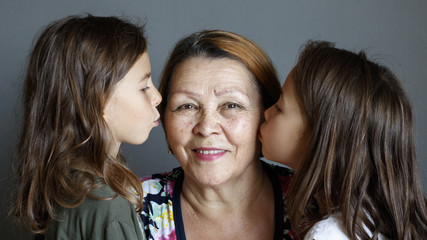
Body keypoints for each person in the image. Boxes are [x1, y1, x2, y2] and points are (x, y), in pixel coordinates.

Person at [11, 15, 162, 239]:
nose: (157, 96)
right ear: (98, 100)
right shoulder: (109, 207)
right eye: (144, 87)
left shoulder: (64, 188)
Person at [259, 40, 427, 239]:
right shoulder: (382, 222)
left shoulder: (329, 235)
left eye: (279, 108)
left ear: (320, 137)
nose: (266, 113)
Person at [140, 30, 297, 240]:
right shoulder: (130, 208)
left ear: (266, 114)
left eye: (231, 105)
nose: (206, 127)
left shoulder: (314, 203)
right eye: (187, 106)